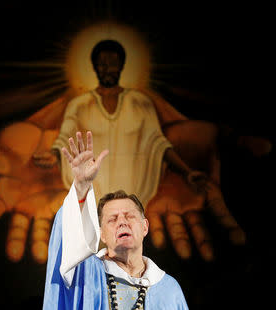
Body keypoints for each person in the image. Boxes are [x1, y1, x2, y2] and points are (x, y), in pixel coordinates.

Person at [43, 131, 188, 309]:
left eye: (129, 216)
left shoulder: (169, 289)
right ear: (101, 234)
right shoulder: (86, 275)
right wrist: (81, 187)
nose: (122, 222)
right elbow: (67, 247)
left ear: (144, 227)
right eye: (112, 219)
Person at [52, 39, 206, 207]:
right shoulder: (79, 105)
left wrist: (186, 172)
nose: (107, 69)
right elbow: (64, 138)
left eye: (112, 64)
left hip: (132, 197)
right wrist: (52, 155)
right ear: (94, 66)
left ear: (122, 66)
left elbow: (158, 143)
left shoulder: (140, 103)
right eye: (102, 64)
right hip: (91, 198)